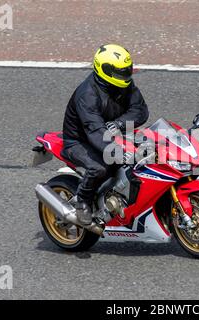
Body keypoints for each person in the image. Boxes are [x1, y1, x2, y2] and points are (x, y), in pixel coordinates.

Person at [61, 44, 149, 225]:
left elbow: (139, 110)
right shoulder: (87, 95)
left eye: (126, 71)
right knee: (101, 167)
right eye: (119, 72)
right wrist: (117, 151)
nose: (125, 76)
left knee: (147, 153)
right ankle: (82, 201)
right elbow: (95, 131)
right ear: (104, 70)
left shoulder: (125, 86)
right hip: (80, 140)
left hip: (112, 132)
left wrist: (118, 124)